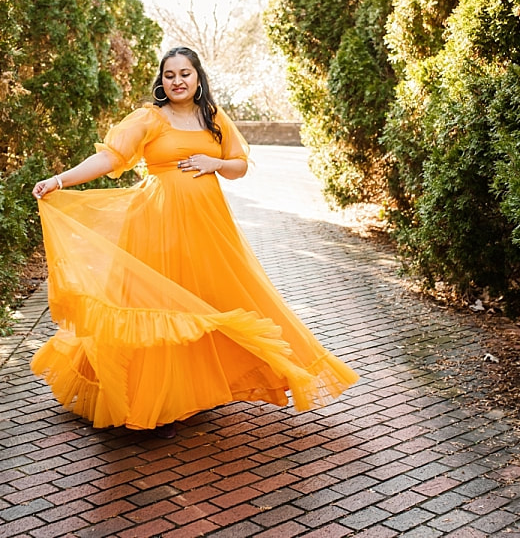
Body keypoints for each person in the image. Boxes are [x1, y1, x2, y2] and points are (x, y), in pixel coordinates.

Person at [30, 46, 358, 438]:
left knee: (210, 298)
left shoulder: (213, 118)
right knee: (157, 307)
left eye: (185, 73)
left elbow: (238, 166)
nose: (178, 81)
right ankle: (150, 401)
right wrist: (60, 180)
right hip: (156, 224)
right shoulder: (149, 119)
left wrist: (214, 163)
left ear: (198, 77)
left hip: (208, 229)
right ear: (161, 81)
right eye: (170, 75)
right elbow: (109, 159)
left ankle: (193, 390)